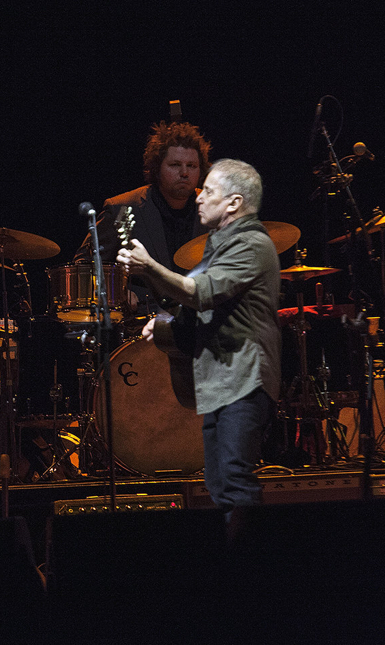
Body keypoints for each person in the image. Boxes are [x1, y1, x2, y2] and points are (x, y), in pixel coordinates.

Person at [116, 158, 280, 521]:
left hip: (245, 377)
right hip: (223, 379)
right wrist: (163, 325)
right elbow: (194, 308)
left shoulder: (250, 243)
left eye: (208, 190)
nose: (198, 196)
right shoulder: (220, 245)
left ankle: (254, 570)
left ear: (234, 203)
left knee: (235, 479)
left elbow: (201, 292)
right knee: (220, 482)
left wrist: (150, 267)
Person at [75, 121, 212, 314]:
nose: (184, 173)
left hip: (201, 323)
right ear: (157, 169)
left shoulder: (214, 210)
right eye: (175, 165)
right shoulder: (121, 208)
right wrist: (118, 291)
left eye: (192, 166)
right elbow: (84, 266)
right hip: (143, 325)